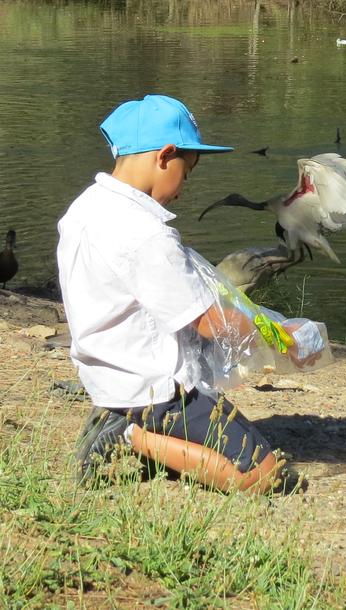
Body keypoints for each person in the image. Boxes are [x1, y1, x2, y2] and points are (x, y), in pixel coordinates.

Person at [57, 94, 304, 493]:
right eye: (186, 173)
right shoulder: (145, 232)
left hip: (107, 377)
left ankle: (123, 420)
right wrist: (279, 338)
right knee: (265, 475)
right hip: (154, 391)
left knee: (232, 439)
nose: (183, 189)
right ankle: (128, 434)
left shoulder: (83, 209)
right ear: (165, 155)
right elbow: (209, 322)